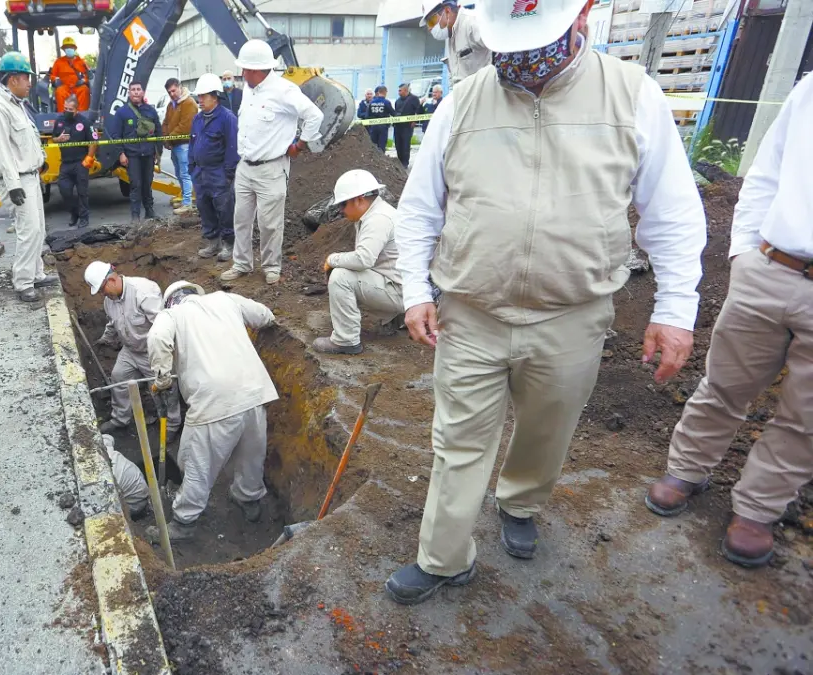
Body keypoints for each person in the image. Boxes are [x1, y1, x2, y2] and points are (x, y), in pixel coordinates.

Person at [386, 0, 707, 605]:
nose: (520, 65)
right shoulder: (463, 102)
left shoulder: (632, 96)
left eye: (533, 48)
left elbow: (673, 213)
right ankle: (444, 557)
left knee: (547, 427)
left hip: (572, 315)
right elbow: (420, 209)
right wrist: (414, 290)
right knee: (457, 440)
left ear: (581, 18)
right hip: (472, 312)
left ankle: (521, 500)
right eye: (507, 52)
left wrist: (675, 309)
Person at [645, 75, 813, 569]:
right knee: (723, 385)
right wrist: (743, 253)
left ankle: (757, 509)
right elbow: (767, 171)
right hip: (771, 267)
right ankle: (686, 471)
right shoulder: (809, 90)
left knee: (805, 417)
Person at [148, 281, 277, 541]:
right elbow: (265, 315)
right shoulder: (225, 299)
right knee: (251, 455)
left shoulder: (171, 315)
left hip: (213, 401)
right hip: (255, 391)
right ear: (195, 292)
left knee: (198, 465)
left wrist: (162, 381)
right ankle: (248, 499)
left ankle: (184, 521)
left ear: (171, 301)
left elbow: (157, 337)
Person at [221, 39, 324, 286]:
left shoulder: (284, 91)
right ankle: (242, 263)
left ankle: (271, 266)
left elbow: (315, 115)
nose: (242, 73)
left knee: (269, 224)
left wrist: (299, 145)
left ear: (259, 69)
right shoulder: (248, 88)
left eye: (246, 69)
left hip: (272, 168)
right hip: (245, 167)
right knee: (241, 219)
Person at [0, 52, 58, 303]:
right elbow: (1, 149)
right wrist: (13, 185)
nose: (30, 83)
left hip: (30, 175)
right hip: (17, 180)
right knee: (29, 230)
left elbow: (26, 139)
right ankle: (23, 282)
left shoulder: (16, 104)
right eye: (26, 78)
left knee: (39, 230)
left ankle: (36, 273)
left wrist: (41, 158)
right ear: (13, 78)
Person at [85, 261, 182, 435]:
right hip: (130, 350)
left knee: (163, 389)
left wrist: (166, 356)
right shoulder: (110, 300)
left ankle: (171, 425)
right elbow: (113, 322)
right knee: (119, 377)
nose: (102, 294)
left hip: (152, 353)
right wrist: (105, 339)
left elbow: (164, 326)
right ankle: (120, 419)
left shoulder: (144, 292)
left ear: (111, 280)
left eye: (101, 290)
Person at [313, 170, 403, 355]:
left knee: (340, 276)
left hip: (400, 292)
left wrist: (332, 259)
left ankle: (346, 340)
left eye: (343, 204)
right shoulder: (376, 213)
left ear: (359, 199)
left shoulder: (378, 219)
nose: (341, 210)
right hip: (401, 285)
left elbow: (364, 259)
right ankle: (392, 318)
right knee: (346, 270)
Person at [189, 73, 239, 262]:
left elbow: (233, 148)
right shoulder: (198, 119)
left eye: (203, 96)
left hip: (218, 172)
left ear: (214, 96)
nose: (199, 100)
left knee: (225, 208)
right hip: (201, 172)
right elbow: (192, 143)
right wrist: (192, 167)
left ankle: (229, 244)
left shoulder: (227, 118)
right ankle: (213, 242)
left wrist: (228, 173)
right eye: (199, 96)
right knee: (205, 207)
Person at [109, 81, 162, 221]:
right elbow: (115, 135)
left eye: (139, 89)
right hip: (132, 155)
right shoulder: (122, 112)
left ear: (143, 92)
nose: (136, 92)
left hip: (148, 154)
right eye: (133, 89)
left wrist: (158, 152)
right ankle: (135, 214)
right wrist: (121, 153)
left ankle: (149, 211)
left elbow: (158, 131)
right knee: (136, 184)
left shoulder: (150, 110)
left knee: (147, 183)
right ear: (129, 92)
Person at [421, 0, 491, 85]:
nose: (429, 28)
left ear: (447, 11)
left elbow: (501, 56)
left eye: (431, 21)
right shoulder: (450, 34)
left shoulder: (472, 23)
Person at [52, 95, 96, 228]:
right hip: (65, 163)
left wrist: (89, 159)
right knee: (64, 189)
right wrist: (58, 139)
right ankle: (74, 212)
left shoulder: (85, 122)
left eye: (70, 109)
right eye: (65, 108)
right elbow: (53, 138)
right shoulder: (59, 120)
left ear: (77, 109)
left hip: (80, 162)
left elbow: (93, 142)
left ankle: (84, 217)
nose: (67, 111)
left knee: (83, 192)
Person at [162, 78, 198, 215]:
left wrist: (168, 139)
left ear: (180, 87)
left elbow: (185, 127)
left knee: (185, 174)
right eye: (169, 92)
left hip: (184, 144)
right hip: (175, 144)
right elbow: (165, 122)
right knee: (179, 173)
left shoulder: (188, 103)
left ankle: (188, 203)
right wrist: (166, 138)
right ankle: (185, 198)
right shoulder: (171, 105)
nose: (171, 94)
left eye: (173, 90)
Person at [104, 434, 151, 519]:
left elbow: (107, 506)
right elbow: (109, 438)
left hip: (136, 503)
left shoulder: (108, 479)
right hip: (138, 486)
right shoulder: (102, 449)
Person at [49, 36, 91, 112]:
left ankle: (82, 114)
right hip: (65, 87)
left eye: (71, 47)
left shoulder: (81, 62)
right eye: (66, 47)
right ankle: (63, 115)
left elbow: (89, 75)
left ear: (74, 48)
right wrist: (55, 79)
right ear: (64, 49)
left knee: (84, 90)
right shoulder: (58, 62)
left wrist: (83, 80)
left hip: (77, 86)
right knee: (59, 91)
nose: (69, 49)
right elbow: (52, 75)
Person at [392, 83, 424, 168]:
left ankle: (405, 163)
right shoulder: (398, 101)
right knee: (398, 144)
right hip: (398, 126)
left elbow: (418, 111)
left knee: (405, 144)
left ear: (406, 90)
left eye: (400, 90)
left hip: (407, 126)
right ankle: (399, 161)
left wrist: (415, 120)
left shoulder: (414, 99)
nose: (399, 92)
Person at [366, 85, 396, 154]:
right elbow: (393, 113)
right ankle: (381, 160)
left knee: (373, 145)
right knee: (382, 145)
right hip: (383, 127)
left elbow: (367, 116)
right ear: (385, 92)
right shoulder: (386, 102)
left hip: (373, 126)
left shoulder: (371, 102)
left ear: (378, 92)